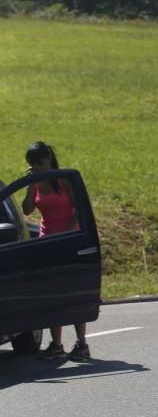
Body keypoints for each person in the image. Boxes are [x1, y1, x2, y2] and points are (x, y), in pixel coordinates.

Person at [21, 142, 90, 362]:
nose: (38, 168)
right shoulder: (37, 182)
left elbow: (79, 209)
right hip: (46, 240)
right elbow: (26, 209)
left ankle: (81, 343)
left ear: (49, 158)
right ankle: (57, 344)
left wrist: (67, 233)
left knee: (72, 293)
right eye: (33, 165)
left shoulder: (64, 179)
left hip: (68, 239)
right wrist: (31, 185)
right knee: (51, 294)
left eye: (40, 163)